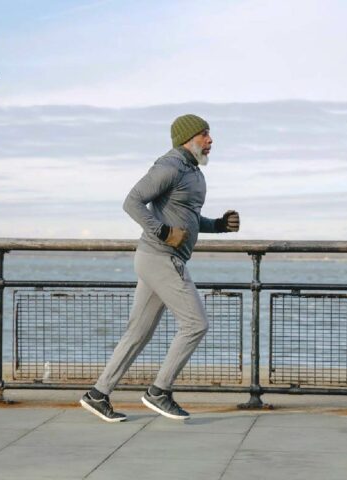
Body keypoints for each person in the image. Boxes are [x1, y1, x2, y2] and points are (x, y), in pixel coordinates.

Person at [80, 114, 240, 422]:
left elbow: (189, 220)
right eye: (204, 134)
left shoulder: (193, 172)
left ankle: (98, 394)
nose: (210, 140)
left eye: (210, 134)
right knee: (196, 324)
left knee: (137, 333)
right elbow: (132, 202)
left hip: (160, 259)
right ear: (187, 138)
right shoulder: (169, 166)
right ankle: (159, 392)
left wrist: (219, 225)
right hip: (161, 257)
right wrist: (163, 232)